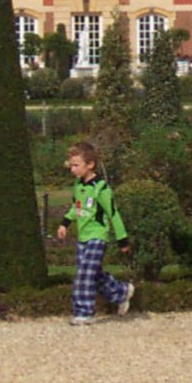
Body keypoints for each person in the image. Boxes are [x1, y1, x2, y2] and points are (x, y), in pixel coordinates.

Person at [54, 140, 133, 326]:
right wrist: (65, 223)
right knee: (94, 273)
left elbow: (113, 214)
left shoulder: (102, 189)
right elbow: (77, 207)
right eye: (71, 165)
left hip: (97, 236)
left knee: (83, 273)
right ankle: (121, 292)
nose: (72, 169)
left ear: (90, 165)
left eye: (76, 165)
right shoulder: (78, 185)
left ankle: (83, 311)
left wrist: (123, 240)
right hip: (83, 237)